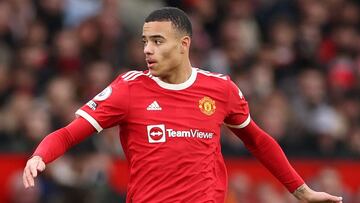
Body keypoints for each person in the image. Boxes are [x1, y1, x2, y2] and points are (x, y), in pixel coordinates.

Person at [23, 7, 343, 203]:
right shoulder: (128, 89)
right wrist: (40, 155)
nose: (148, 49)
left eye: (157, 41)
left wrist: (301, 191)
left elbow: (257, 140)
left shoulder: (220, 89)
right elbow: (67, 134)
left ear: (184, 44)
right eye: (145, 41)